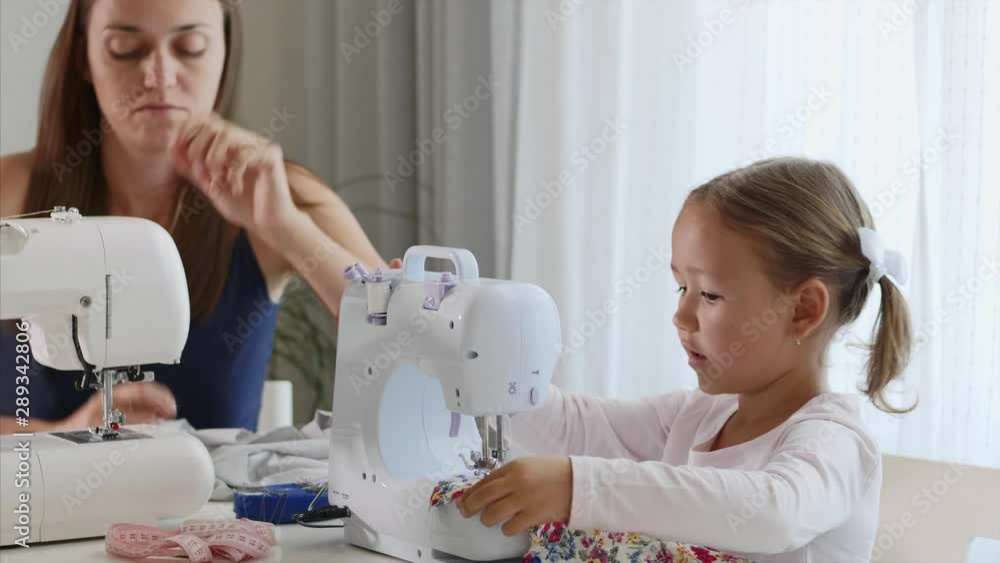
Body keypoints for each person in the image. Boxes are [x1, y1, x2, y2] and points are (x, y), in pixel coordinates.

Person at [457, 158, 912, 563]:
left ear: (803, 310)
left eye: (709, 294)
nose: (680, 316)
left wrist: (580, 488)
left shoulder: (835, 442)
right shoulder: (696, 416)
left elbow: (772, 512)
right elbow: (577, 428)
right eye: (682, 287)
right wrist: (470, 358)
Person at [0, 0, 399, 433]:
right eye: (125, 49)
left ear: (223, 51)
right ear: (83, 57)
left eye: (189, 47)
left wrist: (285, 227)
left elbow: (405, 339)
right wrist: (62, 433)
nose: (158, 76)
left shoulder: (278, 195)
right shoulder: (11, 193)